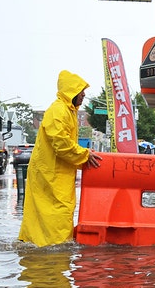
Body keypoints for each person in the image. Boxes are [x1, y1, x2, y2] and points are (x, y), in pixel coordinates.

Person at [18, 70, 102, 247]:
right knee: (57, 214)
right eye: (81, 90)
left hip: (56, 175)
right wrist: (84, 154)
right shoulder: (59, 110)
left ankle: (43, 247)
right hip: (50, 175)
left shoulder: (67, 111)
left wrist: (83, 156)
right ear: (71, 91)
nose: (84, 94)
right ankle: (52, 252)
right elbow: (60, 143)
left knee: (55, 214)